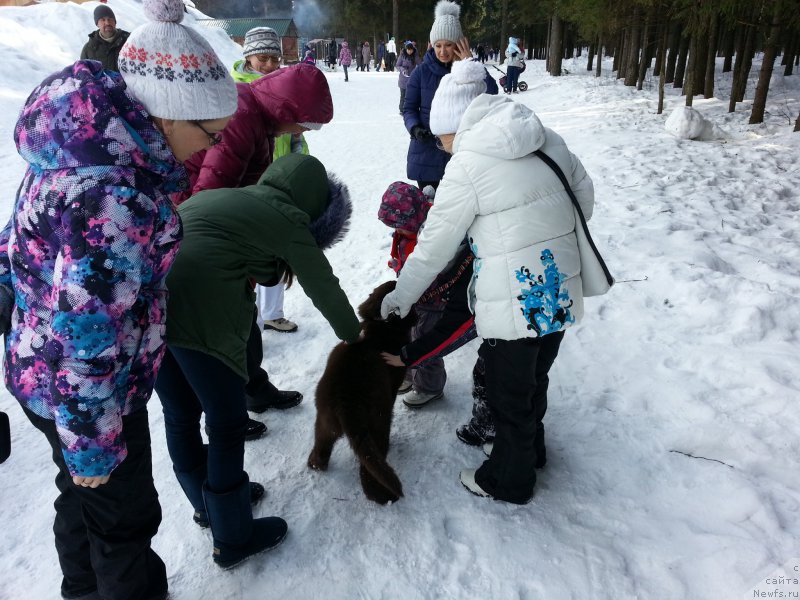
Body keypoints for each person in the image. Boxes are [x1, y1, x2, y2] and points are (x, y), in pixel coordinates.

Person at [0, 0, 238, 597]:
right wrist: (92, 446)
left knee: (79, 502)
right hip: (91, 397)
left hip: (39, 374)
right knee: (122, 522)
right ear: (167, 116)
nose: (209, 149)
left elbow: (16, 248)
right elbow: (86, 336)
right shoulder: (115, 197)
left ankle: (80, 592)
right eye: (207, 134)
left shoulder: (76, 138)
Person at [380, 59, 600, 505]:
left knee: (506, 391)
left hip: (513, 296)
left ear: (456, 126)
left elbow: (434, 247)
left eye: (443, 138)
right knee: (534, 378)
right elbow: (585, 198)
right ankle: (530, 452)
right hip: (557, 285)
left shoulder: (468, 166)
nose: (442, 149)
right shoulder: (547, 139)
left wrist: (402, 296)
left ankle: (508, 479)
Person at [155, 153, 361, 569]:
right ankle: (232, 537)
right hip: (204, 319)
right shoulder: (286, 218)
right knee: (227, 422)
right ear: (313, 202)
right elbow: (323, 284)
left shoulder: (224, 198)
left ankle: (207, 504)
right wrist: (357, 337)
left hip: (152, 314)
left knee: (179, 416)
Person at [174, 63, 333, 419]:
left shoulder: (257, 116)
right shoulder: (240, 121)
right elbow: (207, 196)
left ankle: (253, 389)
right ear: (287, 110)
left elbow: (248, 184)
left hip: (226, 233)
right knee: (224, 326)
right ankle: (228, 411)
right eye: (304, 123)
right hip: (201, 240)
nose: (302, 131)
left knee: (245, 316)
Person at [230, 27, 305, 337]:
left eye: (276, 58)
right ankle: (248, 324)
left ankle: (273, 312)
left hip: (280, 181)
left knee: (277, 252)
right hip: (249, 186)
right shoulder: (235, 90)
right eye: (264, 58)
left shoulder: (284, 88)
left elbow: (297, 134)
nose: (271, 65)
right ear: (249, 57)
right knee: (249, 257)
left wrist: (299, 163)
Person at [403, 0, 497, 191]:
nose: (443, 51)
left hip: (462, 153)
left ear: (459, 43)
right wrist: (415, 128)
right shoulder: (420, 73)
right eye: (438, 45)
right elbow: (409, 109)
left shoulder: (468, 69)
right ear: (431, 44)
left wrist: (470, 63)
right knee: (431, 212)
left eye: (448, 45)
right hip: (427, 153)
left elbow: (492, 93)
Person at [79, 4, 130, 71]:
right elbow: (83, 72)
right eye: (103, 20)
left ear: (115, 22)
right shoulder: (88, 48)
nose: (107, 23)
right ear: (97, 24)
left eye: (110, 19)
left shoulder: (129, 41)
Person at [397, 40, 418, 115]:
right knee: (403, 95)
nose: (410, 51)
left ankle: (409, 109)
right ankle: (402, 109)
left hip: (411, 78)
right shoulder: (402, 55)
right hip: (403, 79)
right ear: (406, 49)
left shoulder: (415, 55)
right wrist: (402, 69)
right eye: (408, 50)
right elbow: (397, 65)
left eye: (411, 50)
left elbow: (420, 64)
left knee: (410, 95)